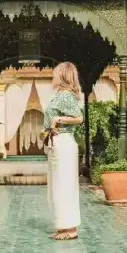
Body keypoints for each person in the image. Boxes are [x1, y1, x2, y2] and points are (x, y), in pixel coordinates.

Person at [43, 62, 84, 240]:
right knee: (58, 186)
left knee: (64, 185)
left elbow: (79, 118)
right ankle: (64, 227)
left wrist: (58, 119)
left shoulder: (66, 95)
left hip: (64, 143)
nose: (53, 77)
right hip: (57, 143)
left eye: (55, 74)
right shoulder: (60, 95)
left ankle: (70, 229)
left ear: (62, 76)